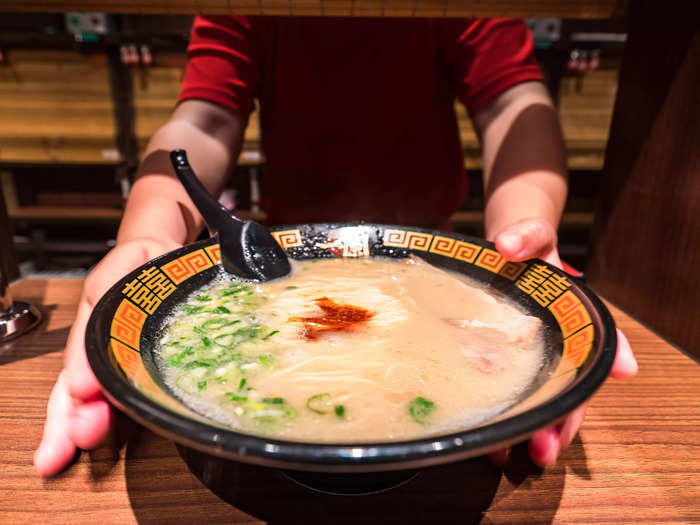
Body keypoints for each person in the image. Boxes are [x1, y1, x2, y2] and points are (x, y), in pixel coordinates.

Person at [34, 16, 637, 476]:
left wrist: (526, 235)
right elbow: (204, 121)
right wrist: (147, 239)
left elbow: (513, 103)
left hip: (431, 245)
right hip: (291, 250)